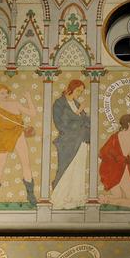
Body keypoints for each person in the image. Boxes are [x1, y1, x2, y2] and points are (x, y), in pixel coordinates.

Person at [0, 83, 39, 206]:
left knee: (26, 164)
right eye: (2, 93)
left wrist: (28, 98)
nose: (5, 95)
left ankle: (31, 195)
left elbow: (33, 114)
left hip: (18, 135)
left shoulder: (15, 104)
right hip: (4, 138)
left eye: (6, 92)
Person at [51, 79, 90, 209]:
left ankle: (74, 199)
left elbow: (85, 120)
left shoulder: (76, 103)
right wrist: (79, 113)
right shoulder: (59, 103)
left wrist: (82, 118)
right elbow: (61, 123)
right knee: (66, 168)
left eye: (81, 91)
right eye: (78, 90)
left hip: (81, 140)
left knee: (78, 169)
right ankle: (59, 199)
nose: (79, 93)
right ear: (71, 88)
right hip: (67, 142)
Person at [99, 114, 130, 207]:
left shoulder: (115, 135)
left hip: (110, 170)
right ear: (129, 123)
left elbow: (103, 152)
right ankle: (106, 200)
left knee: (118, 196)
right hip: (122, 170)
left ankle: (105, 199)